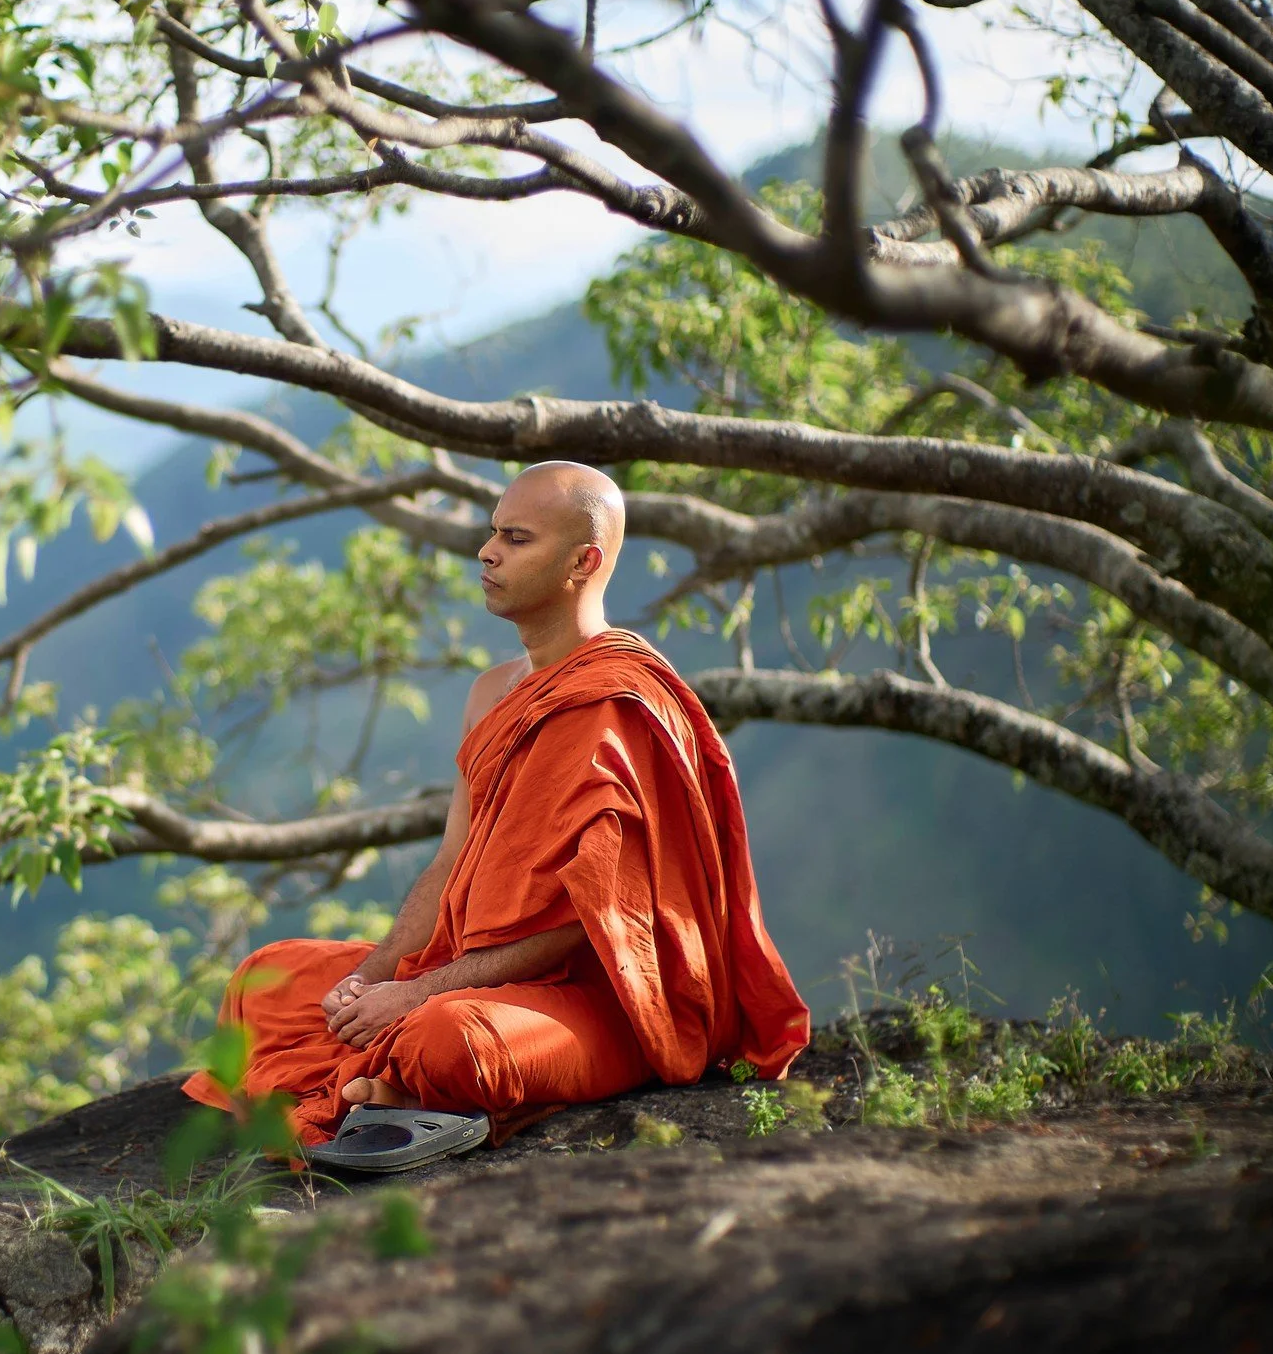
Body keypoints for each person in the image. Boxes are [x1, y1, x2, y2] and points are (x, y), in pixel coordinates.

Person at [181, 461, 811, 1149]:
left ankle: (408, 1079)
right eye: (493, 532)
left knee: (447, 1038)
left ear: (582, 562)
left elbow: (595, 919)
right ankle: (391, 1084)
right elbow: (451, 859)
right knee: (265, 980)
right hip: (465, 967)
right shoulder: (491, 693)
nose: (487, 552)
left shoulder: (618, 703)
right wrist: (370, 978)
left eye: (516, 539)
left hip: (602, 1000)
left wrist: (418, 994)